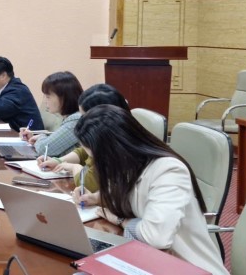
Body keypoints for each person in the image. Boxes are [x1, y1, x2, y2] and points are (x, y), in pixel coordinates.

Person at [74, 105, 228, 275]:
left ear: (115, 150)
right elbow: (126, 193)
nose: (97, 164)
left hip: (186, 267)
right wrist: (96, 198)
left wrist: (121, 220)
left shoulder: (168, 170)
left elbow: (156, 237)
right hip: (149, 260)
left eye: (97, 157)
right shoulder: (128, 165)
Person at [38, 83, 130, 204]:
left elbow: (88, 183)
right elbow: (83, 151)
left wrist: (74, 167)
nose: (81, 121)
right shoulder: (108, 136)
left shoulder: (115, 147)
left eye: (84, 116)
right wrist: (59, 161)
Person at [24, 71, 83, 157]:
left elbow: (44, 149)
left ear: (64, 97)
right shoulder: (71, 118)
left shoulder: (75, 120)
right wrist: (42, 137)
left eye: (48, 97)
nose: (45, 101)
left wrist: (41, 137)